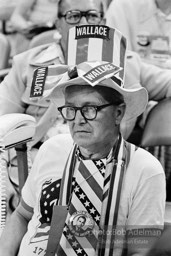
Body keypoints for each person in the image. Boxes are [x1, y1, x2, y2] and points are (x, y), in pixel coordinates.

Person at [0, 25, 166, 256]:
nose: (77, 120)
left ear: (118, 113)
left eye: (90, 109)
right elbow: (22, 215)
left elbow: (140, 251)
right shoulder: (52, 149)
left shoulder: (146, 170)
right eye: (71, 109)